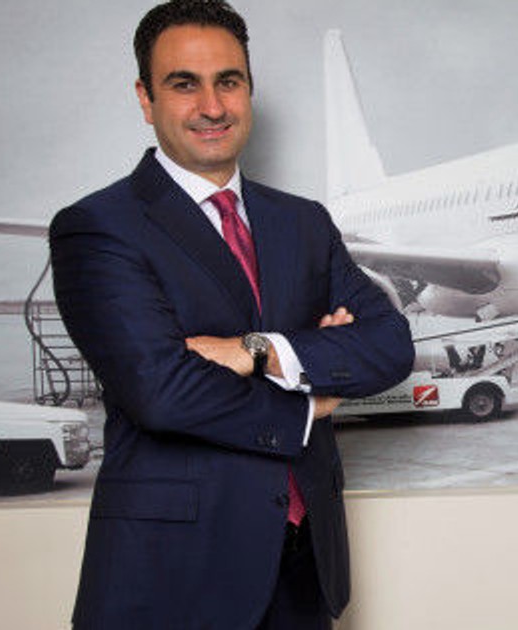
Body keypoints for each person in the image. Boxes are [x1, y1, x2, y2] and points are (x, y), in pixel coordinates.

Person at [49, 1, 414, 628]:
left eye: (228, 81)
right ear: (145, 98)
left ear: (249, 89)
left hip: (305, 569)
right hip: (173, 579)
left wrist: (260, 350)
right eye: (183, 84)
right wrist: (308, 402)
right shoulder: (99, 227)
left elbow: (389, 344)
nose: (212, 106)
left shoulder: (303, 222)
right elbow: (162, 392)